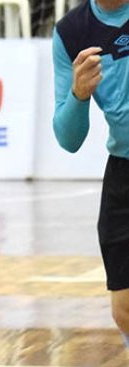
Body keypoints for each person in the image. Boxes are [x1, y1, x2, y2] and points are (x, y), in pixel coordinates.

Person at [52, 0, 129, 343]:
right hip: (123, 174)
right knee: (124, 307)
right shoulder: (71, 32)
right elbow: (68, 138)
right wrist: (79, 95)